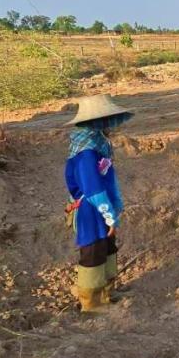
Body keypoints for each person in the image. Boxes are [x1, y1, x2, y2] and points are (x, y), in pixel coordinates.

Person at [64, 94, 133, 312]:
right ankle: (91, 303)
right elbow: (93, 189)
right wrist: (108, 215)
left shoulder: (98, 145)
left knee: (107, 247)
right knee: (93, 251)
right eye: (106, 120)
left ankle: (106, 292)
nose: (110, 125)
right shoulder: (86, 154)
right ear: (95, 123)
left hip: (103, 207)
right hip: (91, 210)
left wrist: (114, 207)